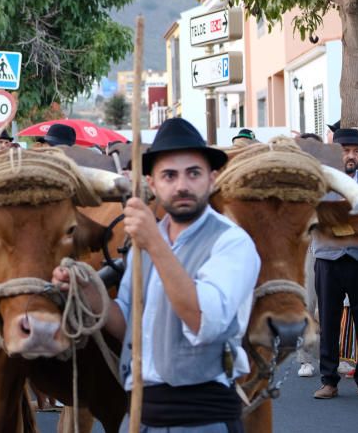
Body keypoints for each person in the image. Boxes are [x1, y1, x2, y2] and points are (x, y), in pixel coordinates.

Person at [53, 117, 260, 431]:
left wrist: (153, 243)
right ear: (152, 184)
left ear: (212, 179)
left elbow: (202, 322)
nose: (181, 186)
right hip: (140, 417)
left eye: (193, 173)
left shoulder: (232, 243)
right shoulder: (144, 244)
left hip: (202, 420)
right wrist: (89, 293)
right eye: (169, 175)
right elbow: (129, 327)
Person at [312, 128, 358, 399]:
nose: (351, 156)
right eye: (346, 151)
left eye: (356, 152)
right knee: (329, 322)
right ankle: (329, 381)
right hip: (329, 261)